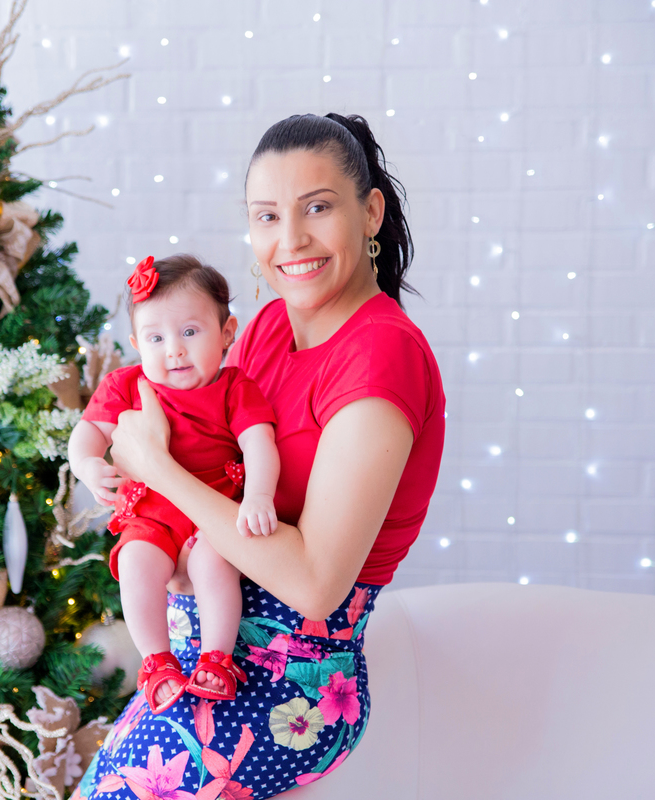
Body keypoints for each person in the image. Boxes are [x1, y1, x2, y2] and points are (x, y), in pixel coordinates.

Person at [72, 112, 446, 800]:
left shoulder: (382, 356)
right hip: (198, 650)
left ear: (371, 213)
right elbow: (199, 447)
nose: (291, 240)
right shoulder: (269, 327)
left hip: (290, 680)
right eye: (267, 216)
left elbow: (313, 585)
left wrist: (159, 471)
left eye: (318, 208)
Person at [68, 254, 281, 714]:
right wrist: (87, 465)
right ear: (136, 344)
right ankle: (158, 662)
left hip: (213, 511)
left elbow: (261, 444)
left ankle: (217, 658)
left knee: (213, 562)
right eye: (156, 338)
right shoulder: (126, 384)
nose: (174, 350)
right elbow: (86, 434)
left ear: (227, 333)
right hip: (152, 514)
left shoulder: (233, 389)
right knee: (137, 563)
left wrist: (260, 494)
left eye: (190, 332)